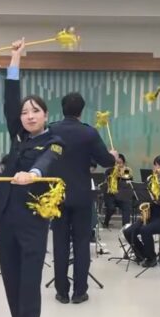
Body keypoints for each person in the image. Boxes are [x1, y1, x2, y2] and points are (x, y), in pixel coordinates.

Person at [0, 38, 64, 317]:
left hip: (33, 222)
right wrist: (15, 58)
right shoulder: (18, 137)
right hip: (6, 219)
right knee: (12, 284)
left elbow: (46, 163)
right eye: (25, 112)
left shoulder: (54, 141)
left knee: (29, 286)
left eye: (35, 111)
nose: (29, 116)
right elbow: (10, 98)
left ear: (46, 115)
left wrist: (32, 174)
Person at [49, 91, 117, 304]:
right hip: (81, 196)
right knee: (81, 244)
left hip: (57, 196)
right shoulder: (89, 133)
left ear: (62, 109)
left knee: (59, 244)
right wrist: (113, 157)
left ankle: (61, 292)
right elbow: (106, 161)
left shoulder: (51, 130)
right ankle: (80, 292)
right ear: (81, 110)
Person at [123, 154, 160, 268]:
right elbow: (144, 196)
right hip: (151, 215)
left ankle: (151, 258)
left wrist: (159, 198)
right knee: (128, 232)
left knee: (145, 230)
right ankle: (142, 254)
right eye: (155, 166)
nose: (157, 169)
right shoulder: (151, 180)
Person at [102, 154, 133, 227]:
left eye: (120, 163)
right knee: (111, 208)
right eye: (116, 163)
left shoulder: (126, 170)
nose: (118, 165)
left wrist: (120, 174)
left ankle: (125, 226)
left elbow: (127, 181)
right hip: (111, 195)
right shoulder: (109, 171)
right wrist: (114, 174)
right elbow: (106, 182)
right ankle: (106, 222)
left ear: (124, 163)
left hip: (122, 196)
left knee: (127, 206)